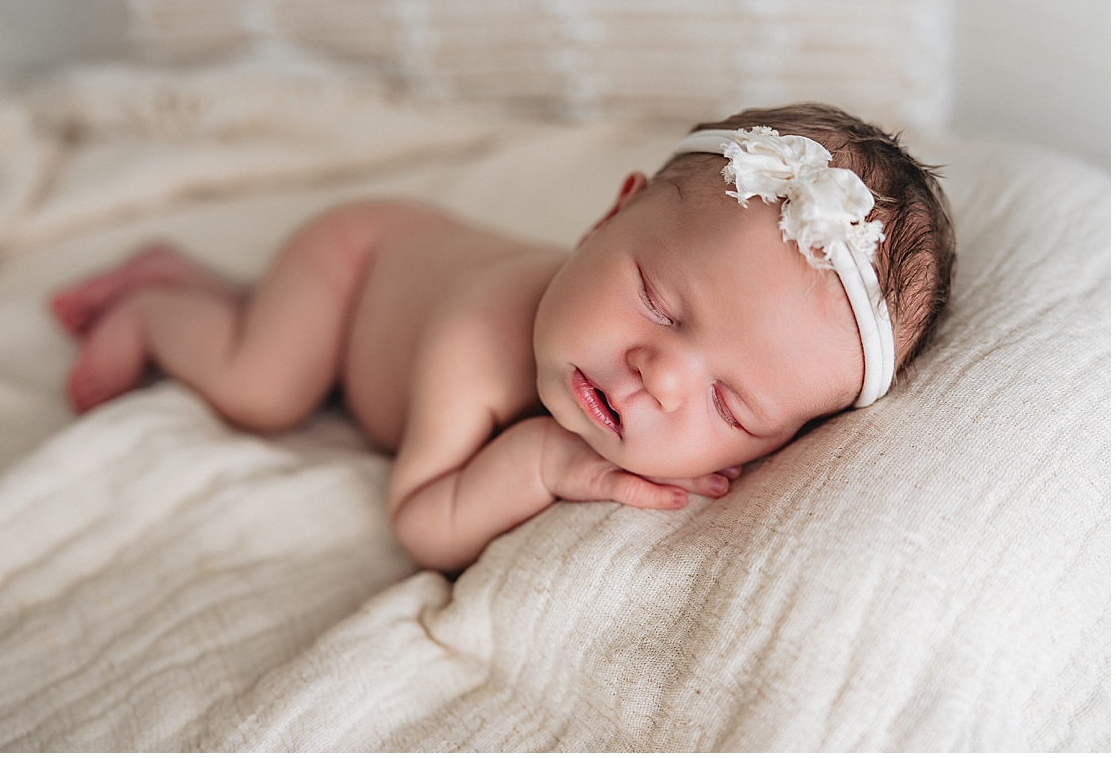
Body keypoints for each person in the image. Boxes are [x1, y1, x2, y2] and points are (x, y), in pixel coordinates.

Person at [51, 103, 955, 572]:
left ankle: (197, 282)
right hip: (355, 264)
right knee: (266, 384)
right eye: (659, 304)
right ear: (610, 213)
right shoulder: (474, 339)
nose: (660, 378)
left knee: (267, 333)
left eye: (731, 402)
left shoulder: (644, 359)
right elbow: (423, 521)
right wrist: (547, 464)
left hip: (390, 266)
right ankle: (153, 313)